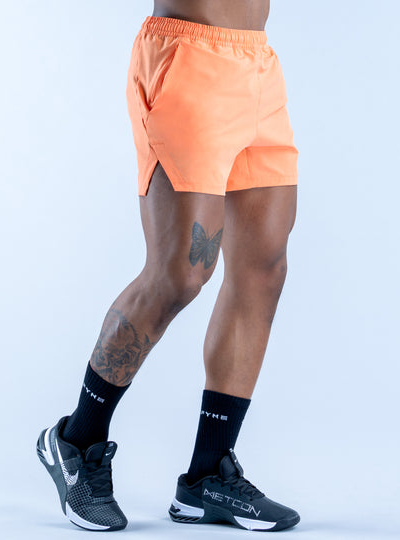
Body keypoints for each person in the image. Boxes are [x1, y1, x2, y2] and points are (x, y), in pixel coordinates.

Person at [36, 0, 300, 532]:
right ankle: (76, 440)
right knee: (179, 273)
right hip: (189, 57)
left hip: (258, 65)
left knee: (263, 269)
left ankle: (208, 476)